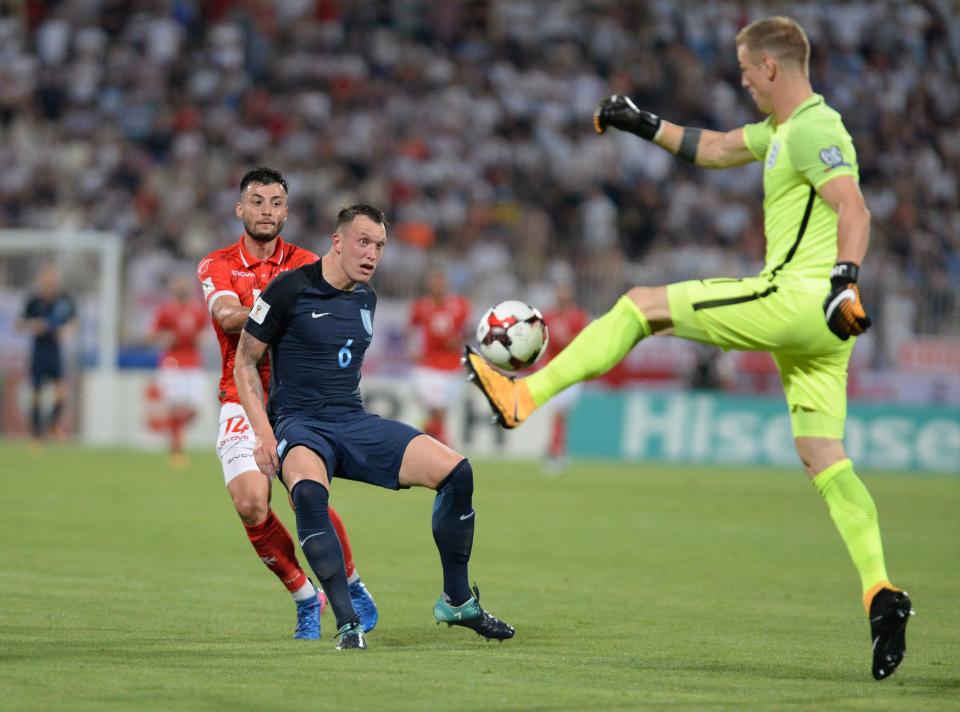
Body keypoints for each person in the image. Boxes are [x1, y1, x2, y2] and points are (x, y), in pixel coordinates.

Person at [463, 16, 912, 680]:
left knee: (640, 305)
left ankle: (523, 396)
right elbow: (715, 147)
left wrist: (845, 280)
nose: (739, 80)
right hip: (824, 331)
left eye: (744, 68)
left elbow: (855, 208)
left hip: (800, 299)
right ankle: (880, 590)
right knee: (824, 455)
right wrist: (641, 122)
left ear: (771, 68)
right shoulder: (780, 132)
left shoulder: (817, 127)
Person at [234, 204, 514, 650]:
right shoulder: (289, 289)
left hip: (352, 420)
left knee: (457, 472)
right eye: (363, 242)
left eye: (380, 245)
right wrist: (264, 434)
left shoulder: (367, 298)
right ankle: (348, 623)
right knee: (308, 492)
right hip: (300, 423)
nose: (372, 254)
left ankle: (456, 600)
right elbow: (245, 360)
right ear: (338, 240)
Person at [197, 167, 378, 641]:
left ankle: (352, 584)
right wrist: (274, 306)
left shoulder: (307, 262)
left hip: (299, 401)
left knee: (307, 495)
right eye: (257, 201)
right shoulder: (215, 264)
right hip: (243, 396)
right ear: (240, 209)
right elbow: (225, 314)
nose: (266, 211)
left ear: (286, 211)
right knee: (251, 502)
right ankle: (305, 596)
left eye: (276, 202)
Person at [149, 273, 208, 468]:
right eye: (178, 285)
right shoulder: (166, 310)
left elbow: (206, 333)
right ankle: (177, 450)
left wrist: (200, 338)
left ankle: (172, 431)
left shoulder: (197, 310)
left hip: (193, 362)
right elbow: (152, 334)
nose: (182, 289)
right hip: (172, 362)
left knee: (194, 409)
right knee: (175, 407)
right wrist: (165, 337)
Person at [407, 268, 472, 445]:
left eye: (440, 281)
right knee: (438, 410)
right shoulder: (421, 306)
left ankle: (424, 440)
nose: (437, 286)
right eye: (433, 282)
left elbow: (468, 331)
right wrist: (412, 349)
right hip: (429, 367)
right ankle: (444, 444)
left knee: (441, 412)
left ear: (446, 283)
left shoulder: (460, 304)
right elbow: (411, 329)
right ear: (428, 284)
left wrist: (458, 340)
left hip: (452, 367)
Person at [17, 263, 75, 445]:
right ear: (41, 281)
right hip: (39, 350)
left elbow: (73, 323)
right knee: (36, 390)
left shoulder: (65, 300)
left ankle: (53, 426)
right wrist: (36, 326)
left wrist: (66, 331)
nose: (50, 282)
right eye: (47, 279)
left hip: (56, 349)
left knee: (61, 390)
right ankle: (35, 433)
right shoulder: (33, 301)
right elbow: (19, 324)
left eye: (53, 279)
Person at [539, 281, 589, 473]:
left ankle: (556, 449)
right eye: (560, 290)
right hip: (554, 370)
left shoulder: (578, 316)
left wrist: (564, 339)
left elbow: (581, 342)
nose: (562, 294)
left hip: (572, 370)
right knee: (558, 412)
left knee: (562, 413)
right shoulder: (548, 316)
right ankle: (555, 452)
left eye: (565, 290)